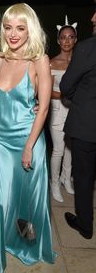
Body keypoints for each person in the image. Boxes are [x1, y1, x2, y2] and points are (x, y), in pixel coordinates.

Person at [0, 3, 56, 273]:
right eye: (9, 27)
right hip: (0, 142)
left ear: (30, 30)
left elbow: (44, 107)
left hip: (30, 141)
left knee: (28, 201)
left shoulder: (40, 60)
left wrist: (29, 147)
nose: (13, 34)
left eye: (21, 28)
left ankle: (26, 242)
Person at [60, 0, 96, 240]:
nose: (92, 18)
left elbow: (66, 85)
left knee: (83, 178)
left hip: (87, 125)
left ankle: (85, 224)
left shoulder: (87, 48)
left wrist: (80, 100)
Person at [48, 16, 77, 202]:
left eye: (70, 37)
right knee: (58, 149)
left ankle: (67, 179)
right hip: (57, 110)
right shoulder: (51, 62)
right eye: (63, 37)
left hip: (75, 111)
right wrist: (65, 95)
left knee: (70, 149)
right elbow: (46, 91)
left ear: (75, 39)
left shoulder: (80, 61)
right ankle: (54, 183)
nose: (66, 40)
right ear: (58, 40)